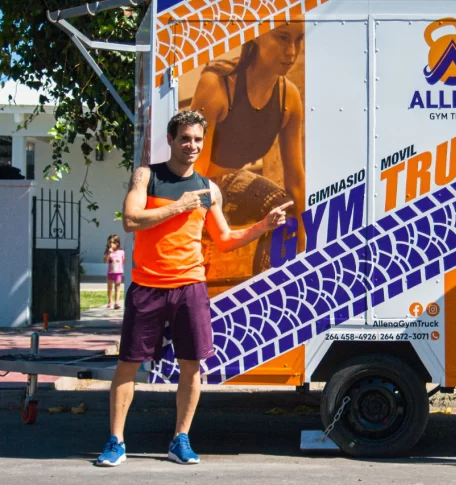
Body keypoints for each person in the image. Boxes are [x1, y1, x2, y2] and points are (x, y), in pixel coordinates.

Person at [95, 110, 291, 467]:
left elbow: (226, 239)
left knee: (192, 367)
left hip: (190, 287)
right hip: (148, 286)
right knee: (127, 366)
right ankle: (115, 441)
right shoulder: (147, 176)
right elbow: (130, 220)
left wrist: (263, 225)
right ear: (170, 139)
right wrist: (180, 207)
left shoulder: (208, 189)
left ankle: (180, 440)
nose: (192, 146)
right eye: (185, 138)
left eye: (198, 139)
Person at [190, 21, 305, 282]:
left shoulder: (289, 98)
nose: (292, 51)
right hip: (200, 184)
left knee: (283, 206)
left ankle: (270, 289)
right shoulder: (217, 85)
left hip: (235, 183)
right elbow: (194, 171)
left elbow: (295, 178)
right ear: (255, 36)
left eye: (299, 40)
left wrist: (303, 239)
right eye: (283, 38)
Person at [104, 235, 125, 309]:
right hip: (110, 272)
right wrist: (108, 254)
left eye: (112, 243)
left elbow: (123, 261)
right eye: (109, 243)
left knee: (117, 287)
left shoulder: (121, 252)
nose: (110, 244)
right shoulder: (107, 252)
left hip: (118, 272)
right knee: (110, 288)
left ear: (117, 243)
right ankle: (110, 301)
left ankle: (116, 303)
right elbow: (105, 261)